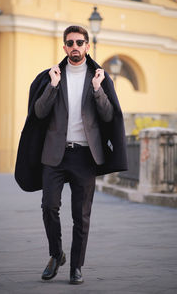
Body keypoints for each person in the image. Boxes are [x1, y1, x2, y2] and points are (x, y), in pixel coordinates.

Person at [14, 25, 127, 285]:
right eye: (70, 43)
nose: (75, 46)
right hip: (54, 154)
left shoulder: (99, 77)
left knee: (81, 215)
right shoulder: (50, 76)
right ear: (64, 47)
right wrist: (53, 86)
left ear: (88, 46)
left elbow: (110, 116)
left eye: (79, 42)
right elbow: (39, 113)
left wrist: (98, 90)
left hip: (85, 156)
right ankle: (56, 254)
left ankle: (76, 266)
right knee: (49, 207)